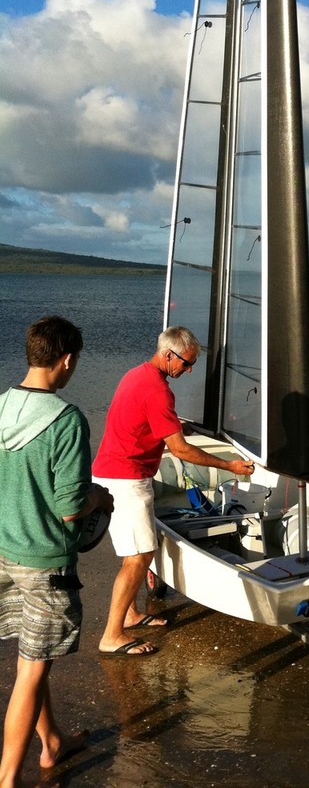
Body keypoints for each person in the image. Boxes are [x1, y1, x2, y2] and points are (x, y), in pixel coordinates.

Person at [92, 326, 255, 657]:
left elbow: (147, 419)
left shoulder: (138, 375)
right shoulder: (157, 390)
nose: (189, 369)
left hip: (112, 472)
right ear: (169, 355)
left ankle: (131, 613)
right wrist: (229, 466)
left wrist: (176, 426)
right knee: (138, 557)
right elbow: (180, 450)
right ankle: (112, 635)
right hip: (126, 478)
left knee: (138, 552)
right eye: (186, 363)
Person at [0, 315, 113, 786]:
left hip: (3, 553)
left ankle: (52, 743)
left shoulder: (2, 405)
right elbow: (70, 507)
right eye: (76, 362)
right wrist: (100, 498)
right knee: (30, 670)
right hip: (45, 563)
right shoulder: (66, 420)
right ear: (66, 360)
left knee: (32, 656)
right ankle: (7, 780)